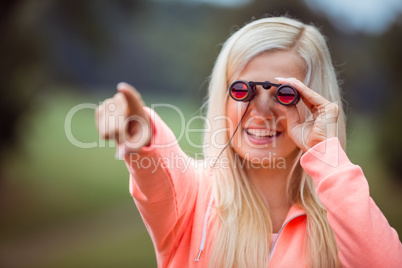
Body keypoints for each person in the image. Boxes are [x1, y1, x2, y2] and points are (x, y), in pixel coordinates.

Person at [95, 17, 402, 267]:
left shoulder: (342, 221)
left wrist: (327, 155)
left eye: (285, 94)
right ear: (223, 97)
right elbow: (161, 169)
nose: (263, 111)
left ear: (314, 102)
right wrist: (139, 127)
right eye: (243, 90)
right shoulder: (194, 199)